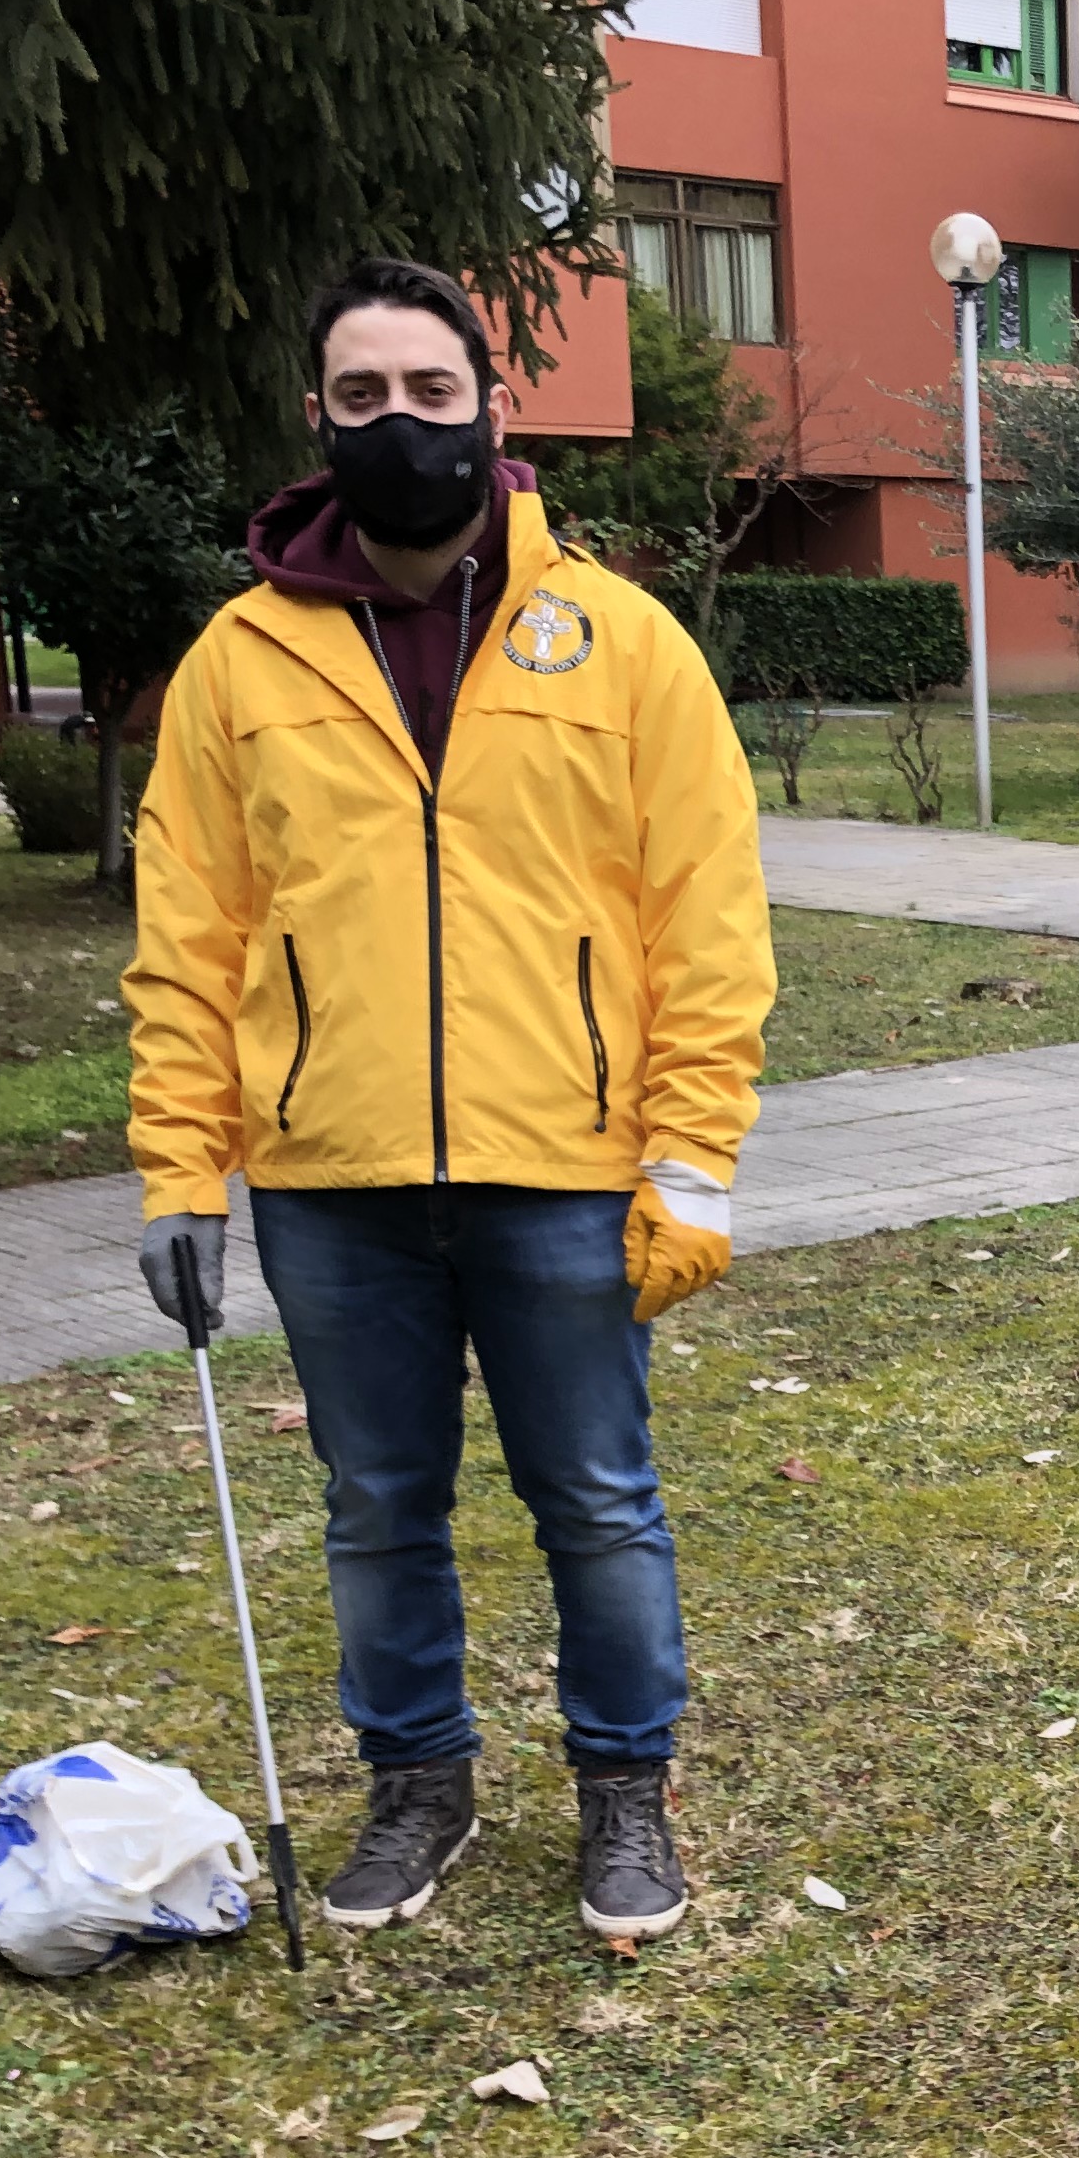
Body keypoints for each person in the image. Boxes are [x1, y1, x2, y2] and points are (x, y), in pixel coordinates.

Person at [123, 256, 773, 1942]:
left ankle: (627, 1797)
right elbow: (190, 934)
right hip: (326, 1179)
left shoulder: (621, 644)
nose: (399, 424)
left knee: (601, 1503)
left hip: (562, 1163)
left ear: (495, 405)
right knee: (377, 1506)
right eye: (362, 398)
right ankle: (418, 1786)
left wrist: (693, 1155)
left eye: (430, 392)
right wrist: (180, 1177)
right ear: (318, 421)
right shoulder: (239, 665)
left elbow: (703, 921)